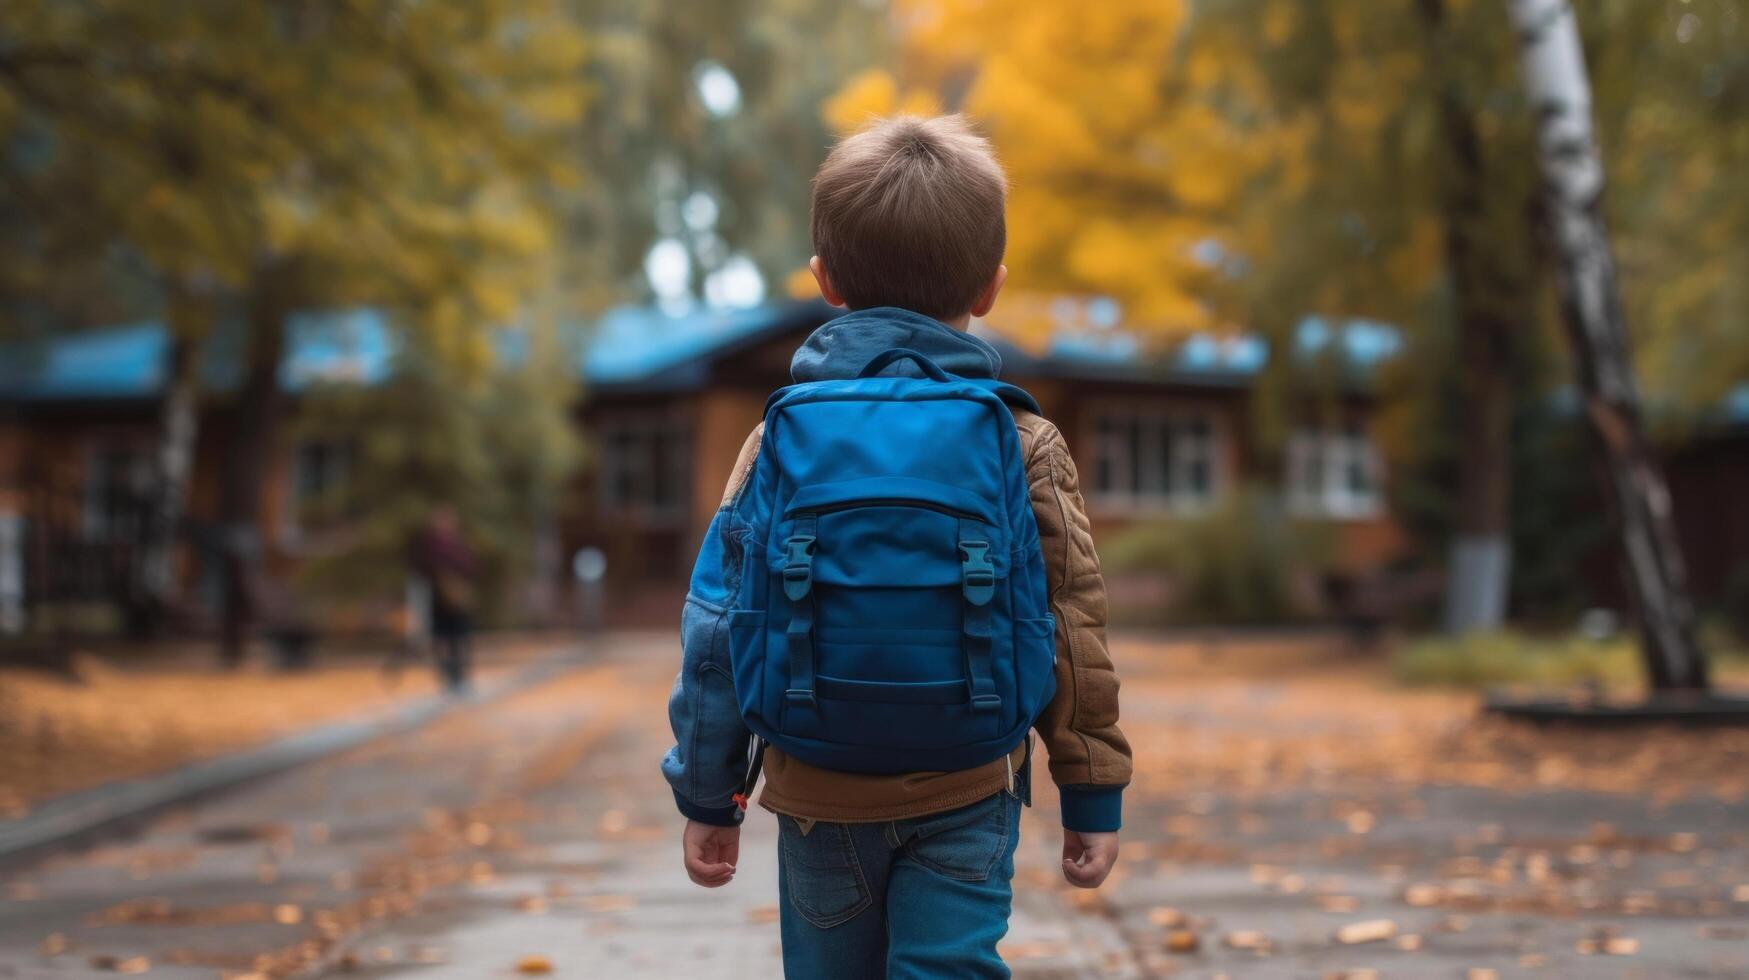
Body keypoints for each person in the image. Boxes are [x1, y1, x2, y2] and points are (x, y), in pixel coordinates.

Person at [662, 115, 1131, 978]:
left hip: (816, 795)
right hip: (969, 784)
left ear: (825, 281)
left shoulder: (777, 440)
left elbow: (718, 626)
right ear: (988, 288)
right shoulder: (1023, 439)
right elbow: (1072, 621)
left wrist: (708, 792)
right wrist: (1090, 790)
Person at [411, 505, 477, 693]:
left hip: (458, 599)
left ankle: (460, 675)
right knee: (442, 638)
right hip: (439, 599)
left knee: (460, 637)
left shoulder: (458, 544)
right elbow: (420, 568)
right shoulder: (428, 545)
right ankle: (447, 676)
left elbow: (471, 566)